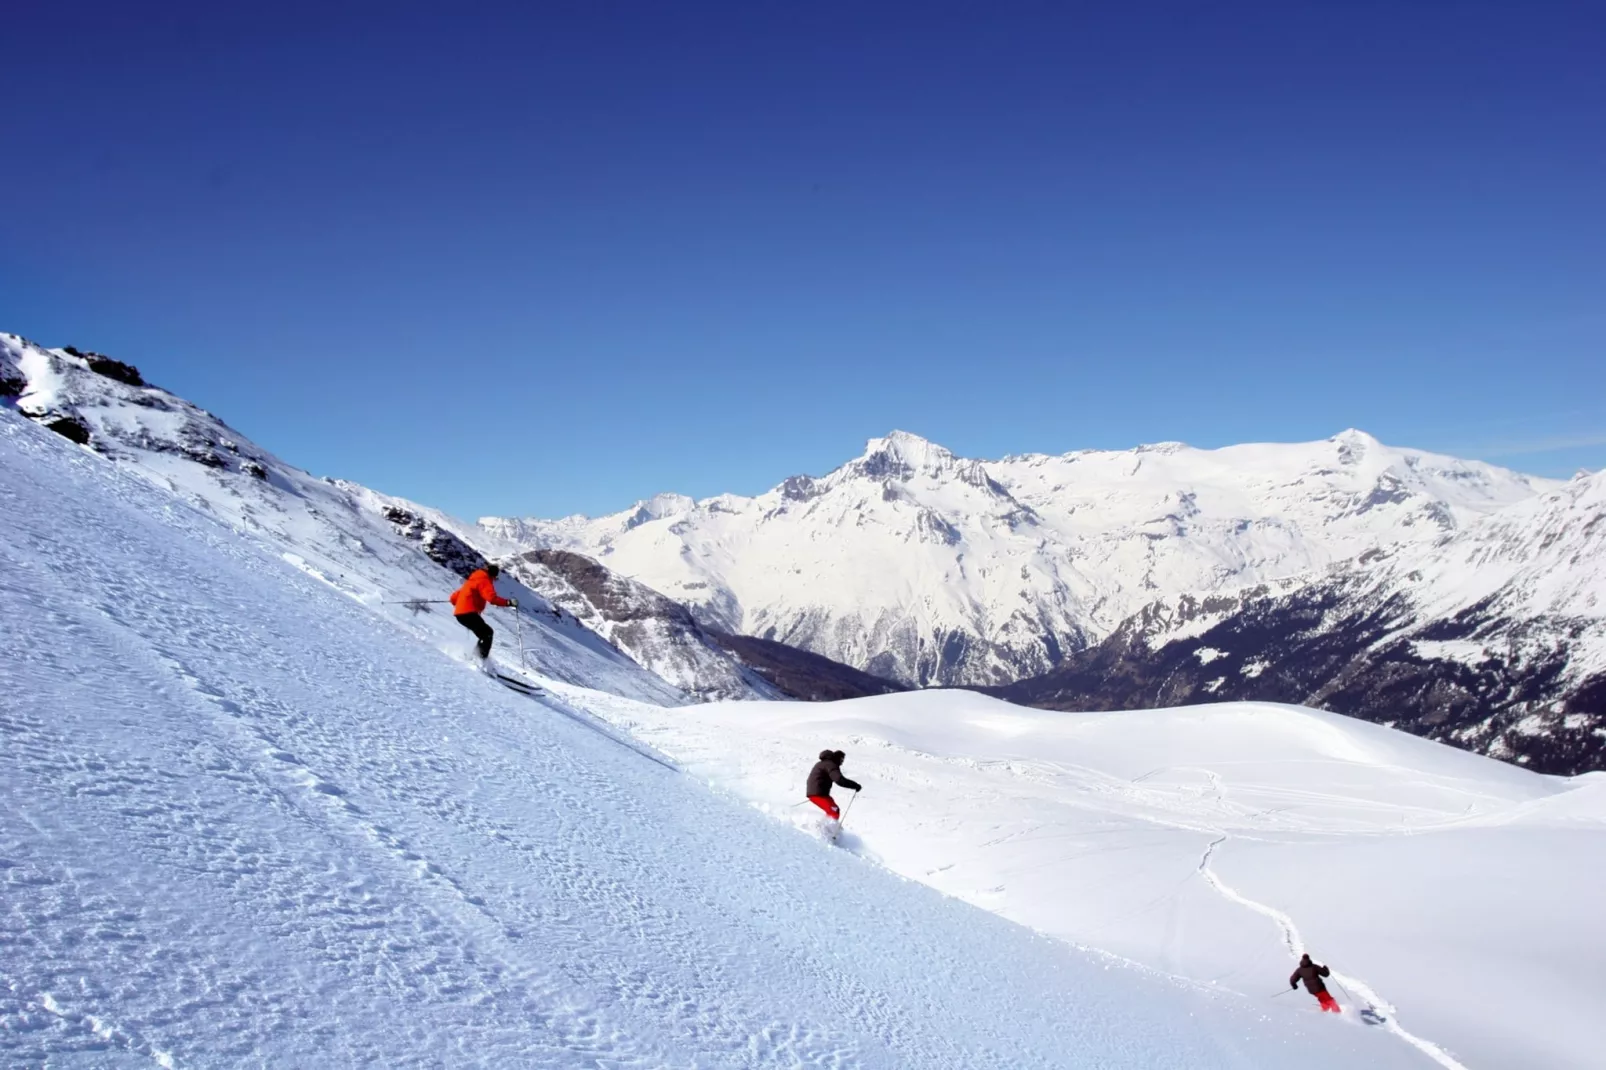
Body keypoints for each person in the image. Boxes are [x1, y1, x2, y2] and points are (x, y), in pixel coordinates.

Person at [450, 563, 514, 659]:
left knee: (484, 634)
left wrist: (463, 603)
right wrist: (509, 602)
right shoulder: (485, 580)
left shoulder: (472, 580)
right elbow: (492, 598)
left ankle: (473, 657)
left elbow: (453, 598)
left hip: (460, 614)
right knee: (487, 633)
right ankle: (479, 659)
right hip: (469, 613)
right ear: (493, 575)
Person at [806, 749, 861, 819]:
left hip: (819, 793)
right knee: (833, 810)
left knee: (835, 809)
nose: (842, 763)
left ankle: (828, 826)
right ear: (836, 758)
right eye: (841, 760)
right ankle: (827, 828)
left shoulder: (822, 763)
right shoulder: (830, 764)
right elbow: (839, 780)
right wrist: (855, 785)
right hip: (818, 794)